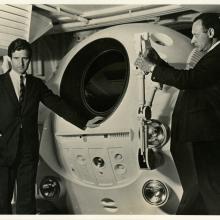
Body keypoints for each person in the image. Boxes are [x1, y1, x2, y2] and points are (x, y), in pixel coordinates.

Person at [0, 38, 103, 214]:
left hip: (27, 151)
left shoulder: (36, 85)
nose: (21, 63)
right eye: (16, 58)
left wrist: (83, 122)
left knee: (26, 202)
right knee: (1, 200)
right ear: (10, 58)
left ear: (30, 59)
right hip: (2, 150)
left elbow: (57, 104)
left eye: (24, 58)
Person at [135, 13, 220, 214]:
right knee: (200, 191)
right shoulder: (211, 58)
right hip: (196, 135)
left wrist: (153, 68)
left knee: (203, 192)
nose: (192, 41)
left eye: (195, 35)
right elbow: (191, 81)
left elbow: (190, 80)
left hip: (201, 136)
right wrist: (157, 62)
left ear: (211, 32)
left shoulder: (218, 57)